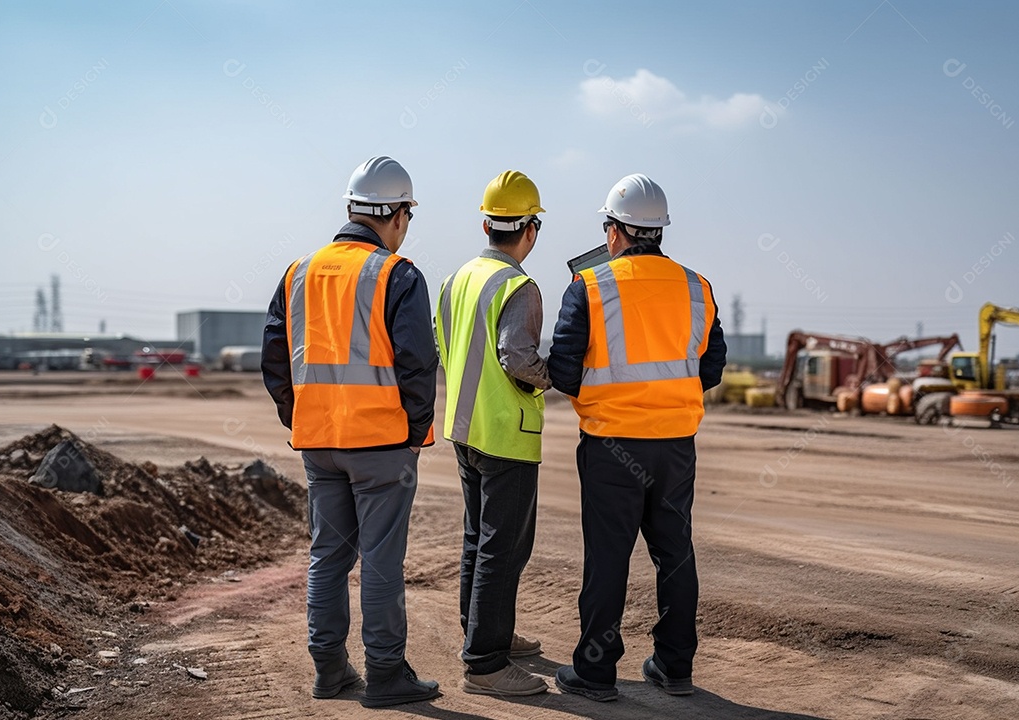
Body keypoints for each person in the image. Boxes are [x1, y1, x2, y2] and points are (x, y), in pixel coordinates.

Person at [261, 156, 441, 708]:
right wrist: (413, 430)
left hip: (320, 444)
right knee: (381, 563)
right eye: (407, 214)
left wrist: (302, 417)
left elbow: (275, 358)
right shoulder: (397, 274)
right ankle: (386, 674)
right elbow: (418, 363)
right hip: (382, 444)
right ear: (394, 214)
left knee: (328, 558)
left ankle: (330, 671)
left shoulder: (298, 272)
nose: (406, 226)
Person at [548, 173, 726, 702]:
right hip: (675, 444)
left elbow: (562, 371)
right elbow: (710, 369)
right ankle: (675, 667)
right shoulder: (698, 287)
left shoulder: (590, 286)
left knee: (607, 559)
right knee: (675, 554)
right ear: (658, 232)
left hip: (610, 446)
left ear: (614, 232)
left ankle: (596, 674)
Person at [435, 170, 551, 697]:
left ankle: (482, 633)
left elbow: (445, 346)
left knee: (476, 541)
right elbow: (518, 359)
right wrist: (560, 375)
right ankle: (485, 664)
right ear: (530, 230)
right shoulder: (519, 287)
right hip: (505, 433)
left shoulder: (456, 279)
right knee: (503, 549)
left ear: (486, 223)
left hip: (464, 429)